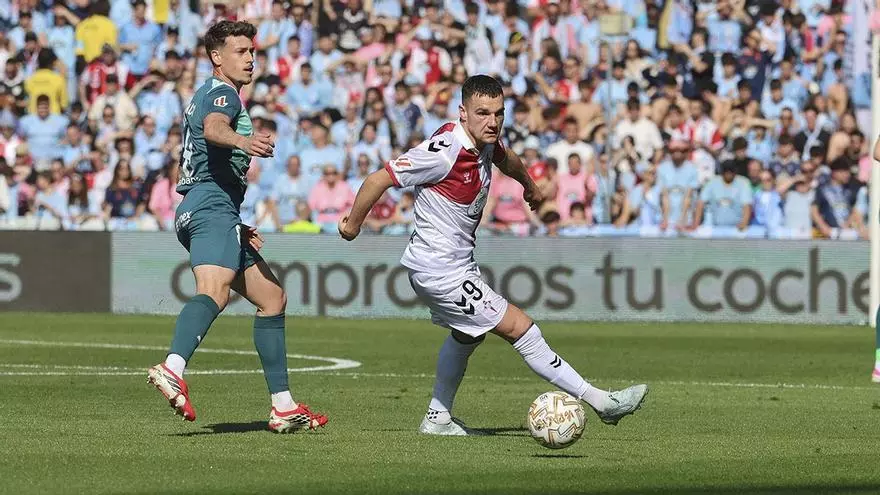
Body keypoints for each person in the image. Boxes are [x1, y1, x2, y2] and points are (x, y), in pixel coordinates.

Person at [338, 75, 648, 436]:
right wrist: (352, 225)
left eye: (499, 113)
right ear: (462, 113)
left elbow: (507, 158)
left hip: (455, 265)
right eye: (482, 113)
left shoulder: (484, 142)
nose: (493, 121)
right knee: (522, 328)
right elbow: (379, 179)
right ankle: (602, 402)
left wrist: (530, 186)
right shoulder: (444, 152)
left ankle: (438, 419)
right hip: (440, 271)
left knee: (467, 336)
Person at [146, 20, 327, 433]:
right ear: (216, 57)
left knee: (272, 297)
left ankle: (283, 406)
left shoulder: (207, 93)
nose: (249, 59)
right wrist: (245, 142)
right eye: (240, 51)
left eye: (252, 52)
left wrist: (234, 224)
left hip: (212, 208)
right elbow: (214, 129)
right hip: (210, 204)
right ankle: (172, 367)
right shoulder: (222, 93)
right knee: (215, 291)